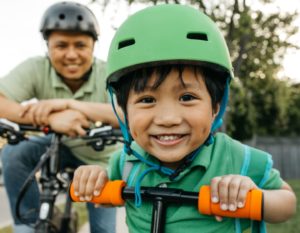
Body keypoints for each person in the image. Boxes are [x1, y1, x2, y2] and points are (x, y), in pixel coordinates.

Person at [72, 4, 297, 233]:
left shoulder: (235, 158)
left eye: (187, 97)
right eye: (147, 100)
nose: (168, 118)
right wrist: (93, 180)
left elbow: (287, 203)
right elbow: (105, 198)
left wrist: (252, 195)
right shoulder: (125, 163)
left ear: (215, 107)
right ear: (123, 111)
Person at [0, 2, 120, 233]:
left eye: (80, 45)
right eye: (61, 45)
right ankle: (26, 226)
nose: (71, 54)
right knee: (13, 153)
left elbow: (127, 113)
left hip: (101, 161)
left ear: (93, 46)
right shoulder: (36, 68)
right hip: (59, 145)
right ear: (48, 46)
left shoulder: (108, 73)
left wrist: (70, 104)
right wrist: (51, 120)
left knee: (103, 229)